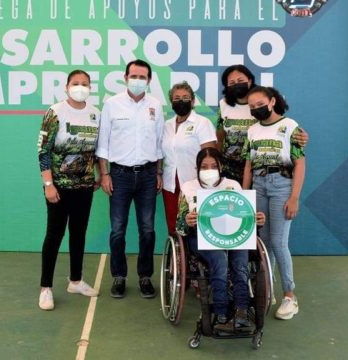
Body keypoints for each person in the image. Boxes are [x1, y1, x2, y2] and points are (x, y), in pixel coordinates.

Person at [176, 147, 266, 332]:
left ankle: (241, 311)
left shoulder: (233, 185)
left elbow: (245, 219)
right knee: (220, 259)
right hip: (201, 238)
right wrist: (187, 221)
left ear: (221, 167)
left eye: (213, 166)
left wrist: (257, 221)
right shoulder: (188, 188)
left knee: (240, 260)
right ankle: (221, 313)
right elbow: (179, 227)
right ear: (197, 168)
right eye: (204, 166)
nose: (209, 170)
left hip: (233, 237)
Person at [96, 59, 164, 299]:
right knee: (117, 230)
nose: (137, 81)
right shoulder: (112, 104)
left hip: (147, 176)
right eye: (133, 76)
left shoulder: (156, 105)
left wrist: (158, 173)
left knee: (148, 230)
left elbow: (159, 144)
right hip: (119, 176)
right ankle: (119, 276)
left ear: (149, 80)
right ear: (125, 78)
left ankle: (145, 276)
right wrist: (104, 174)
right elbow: (103, 143)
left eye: (142, 77)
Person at [37, 70, 100, 311]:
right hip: (59, 188)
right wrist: (48, 185)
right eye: (75, 83)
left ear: (90, 88)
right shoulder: (55, 112)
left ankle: (75, 281)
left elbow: (97, 150)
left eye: (85, 83)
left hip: (84, 187)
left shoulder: (95, 114)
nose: (80, 87)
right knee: (54, 235)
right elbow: (43, 151)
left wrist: (98, 174)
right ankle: (45, 288)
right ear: (66, 87)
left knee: (78, 233)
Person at [242, 86, 305, 320]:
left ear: (272, 102)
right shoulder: (252, 130)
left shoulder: (290, 126)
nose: (256, 109)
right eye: (252, 107)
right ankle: (267, 288)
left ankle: (290, 295)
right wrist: (245, 195)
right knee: (265, 242)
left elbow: (299, 163)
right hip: (259, 185)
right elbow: (249, 165)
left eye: (260, 104)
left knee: (279, 242)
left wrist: (294, 197)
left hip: (281, 185)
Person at [216, 65, 308, 183]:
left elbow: (281, 126)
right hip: (229, 169)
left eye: (240, 80)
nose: (236, 84)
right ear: (226, 86)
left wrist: (301, 137)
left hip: (258, 169)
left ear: (249, 81)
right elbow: (220, 137)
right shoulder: (223, 104)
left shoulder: (262, 99)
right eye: (231, 82)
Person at [162, 81, 216, 234]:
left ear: (192, 101)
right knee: (174, 226)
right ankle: (176, 250)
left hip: (195, 183)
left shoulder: (202, 123)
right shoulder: (167, 125)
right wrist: (158, 173)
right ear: (171, 102)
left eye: (185, 97)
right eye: (177, 98)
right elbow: (161, 154)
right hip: (170, 184)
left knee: (196, 226)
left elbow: (211, 155)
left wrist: (207, 179)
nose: (181, 101)